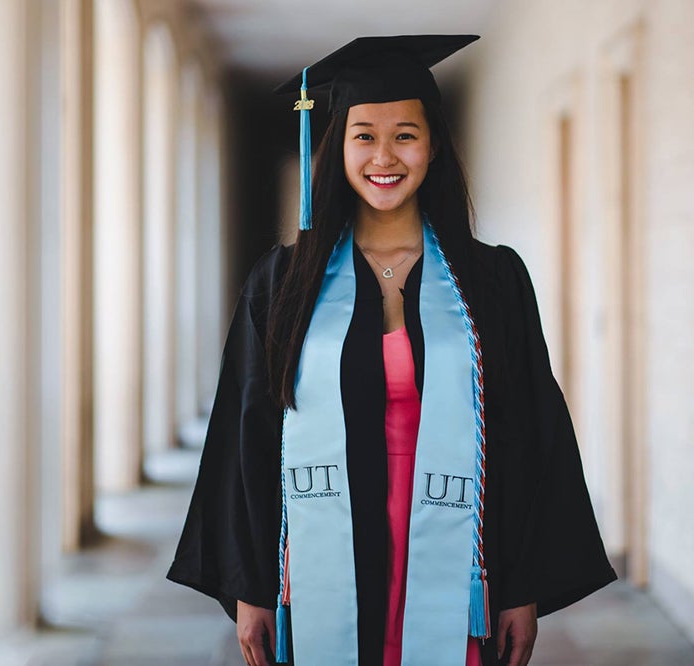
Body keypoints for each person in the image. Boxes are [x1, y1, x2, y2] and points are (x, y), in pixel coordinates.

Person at [166, 35, 615, 666]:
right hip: (322, 556)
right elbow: (249, 434)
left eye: (405, 134)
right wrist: (252, 587)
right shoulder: (283, 282)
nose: (385, 156)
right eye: (364, 136)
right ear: (337, 149)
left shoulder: (492, 282)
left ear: (433, 146)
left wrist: (520, 587)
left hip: (455, 552)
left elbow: (525, 436)